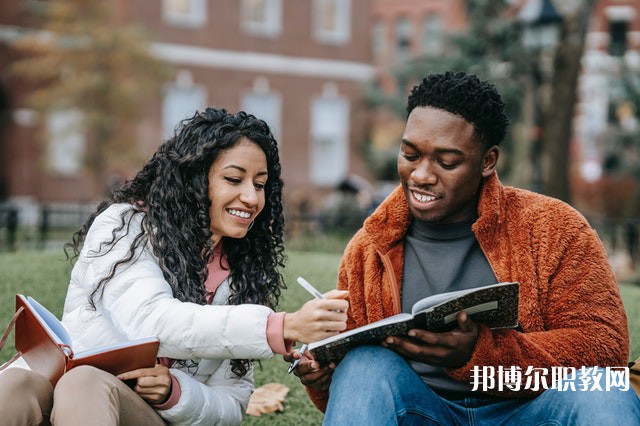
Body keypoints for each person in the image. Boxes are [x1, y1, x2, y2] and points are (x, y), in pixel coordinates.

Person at [287, 72, 640, 424]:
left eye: (447, 162)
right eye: (410, 154)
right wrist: (322, 375)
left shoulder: (554, 228)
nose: (421, 175)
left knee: (604, 387)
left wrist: (481, 356)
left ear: (487, 161)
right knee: (363, 365)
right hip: (423, 411)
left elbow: (603, 348)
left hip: (529, 411)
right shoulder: (369, 247)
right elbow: (359, 395)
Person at [0, 107, 349, 425]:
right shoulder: (125, 228)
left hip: (136, 413)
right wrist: (281, 326)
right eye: (233, 179)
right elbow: (151, 321)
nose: (252, 197)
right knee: (15, 385)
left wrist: (175, 392)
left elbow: (231, 404)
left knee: (85, 382)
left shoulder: (242, 274)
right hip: (60, 389)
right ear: (194, 179)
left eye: (259, 184)